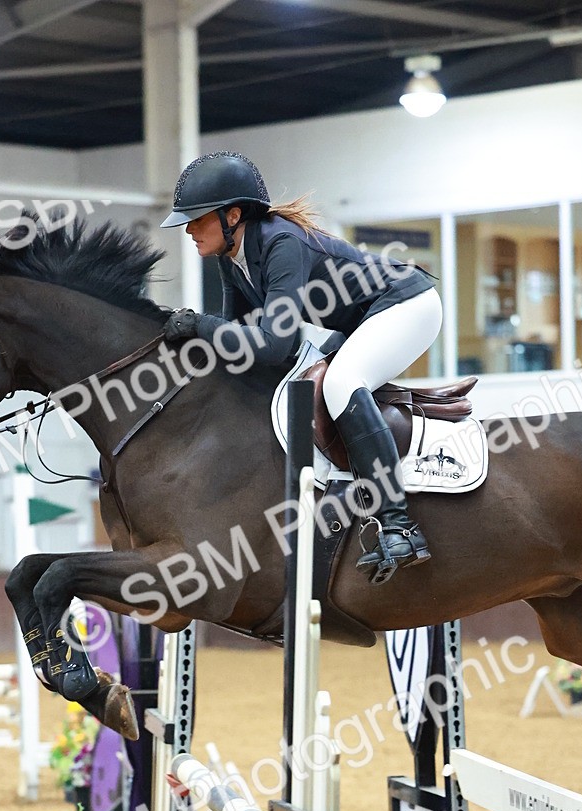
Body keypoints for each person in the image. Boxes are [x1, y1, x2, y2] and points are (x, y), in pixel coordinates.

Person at [160, 151, 443, 584]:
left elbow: (274, 343)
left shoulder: (281, 242)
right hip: (360, 321)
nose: (189, 229)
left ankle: (399, 525)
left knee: (343, 382)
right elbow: (239, 340)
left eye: (198, 219)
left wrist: (198, 325)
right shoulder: (231, 257)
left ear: (233, 215)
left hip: (406, 304)